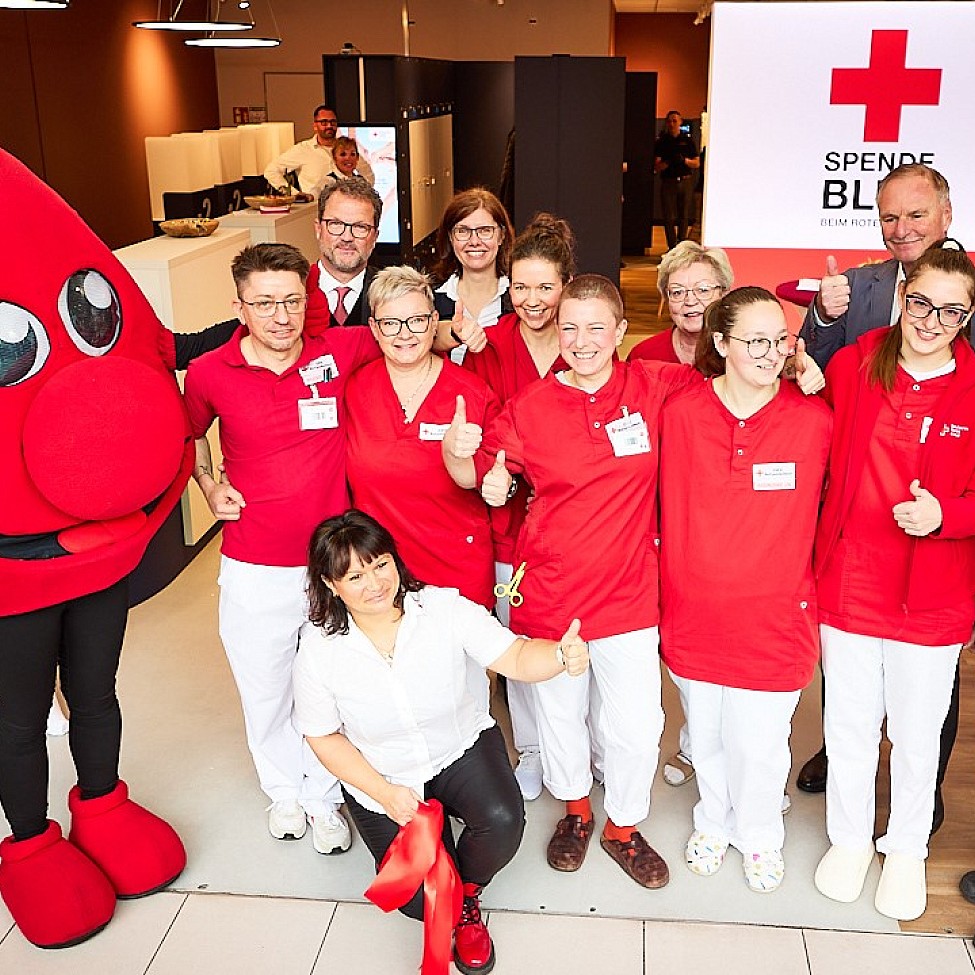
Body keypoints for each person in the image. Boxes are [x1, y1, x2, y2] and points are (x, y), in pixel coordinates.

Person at [0, 148, 188, 949]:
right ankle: (31, 843)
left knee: (96, 689)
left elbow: (154, 339)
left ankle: (103, 802)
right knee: (14, 717)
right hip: (17, 565)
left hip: (101, 548)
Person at [293, 509, 590, 975]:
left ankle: (467, 894)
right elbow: (322, 735)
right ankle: (444, 884)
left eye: (380, 565)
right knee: (416, 900)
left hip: (459, 747)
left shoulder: (443, 609)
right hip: (384, 773)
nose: (374, 583)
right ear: (331, 585)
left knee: (502, 822)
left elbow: (512, 653)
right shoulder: (318, 650)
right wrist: (383, 794)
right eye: (355, 575)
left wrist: (558, 655)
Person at [183, 242, 380, 854]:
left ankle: (325, 798)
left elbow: (413, 326)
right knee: (264, 686)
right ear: (239, 304)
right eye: (265, 302)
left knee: (327, 689)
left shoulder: (338, 351)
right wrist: (210, 484)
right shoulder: (212, 372)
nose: (280, 316)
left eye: (293, 300)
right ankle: (284, 793)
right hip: (253, 565)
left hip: (331, 569)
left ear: (308, 299)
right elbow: (189, 437)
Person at [812, 243, 975, 921]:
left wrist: (948, 515)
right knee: (847, 724)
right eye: (920, 302)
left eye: (950, 311)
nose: (931, 320)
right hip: (849, 579)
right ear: (902, 291)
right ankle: (848, 839)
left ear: (966, 317)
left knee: (915, 730)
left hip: (932, 591)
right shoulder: (855, 363)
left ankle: (904, 847)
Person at [795, 164, 958, 818]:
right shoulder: (855, 285)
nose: (901, 229)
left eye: (915, 215)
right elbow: (813, 370)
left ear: (945, 216)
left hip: (943, 508)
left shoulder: (967, 289)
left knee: (931, 669)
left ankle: (927, 783)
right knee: (848, 653)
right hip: (859, 503)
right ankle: (839, 753)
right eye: (888, 217)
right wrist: (819, 313)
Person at [658, 288, 831, 892]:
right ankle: (712, 821)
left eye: (779, 340)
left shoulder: (814, 420)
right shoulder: (679, 414)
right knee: (704, 736)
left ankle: (759, 834)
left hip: (776, 619)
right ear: (722, 344)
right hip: (694, 613)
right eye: (754, 340)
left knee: (761, 745)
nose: (769, 353)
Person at [459, 212, 575, 801]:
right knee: (521, 643)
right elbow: (474, 430)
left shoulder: (581, 343)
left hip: (573, 522)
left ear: (565, 287)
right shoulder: (491, 342)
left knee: (582, 643)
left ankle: (584, 748)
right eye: (522, 286)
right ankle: (530, 750)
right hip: (507, 523)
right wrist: (489, 475)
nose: (532, 300)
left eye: (545, 287)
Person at [345, 266, 499, 612]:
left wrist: (467, 461)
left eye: (416, 320)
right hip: (381, 575)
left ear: (433, 322)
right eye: (390, 323)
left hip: (457, 570)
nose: (404, 334)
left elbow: (493, 478)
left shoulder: (471, 392)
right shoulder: (354, 388)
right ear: (374, 328)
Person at [432, 188, 514, 363]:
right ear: (450, 238)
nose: (474, 241)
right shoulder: (430, 297)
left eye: (485, 230)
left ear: (501, 236)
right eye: (463, 231)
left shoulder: (519, 299)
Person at [629, 240, 733, 366]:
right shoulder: (644, 356)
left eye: (702, 290)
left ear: (724, 294)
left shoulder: (738, 354)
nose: (690, 301)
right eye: (678, 292)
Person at [263, 105, 375, 196]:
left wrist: (364, 195)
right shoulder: (303, 149)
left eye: (333, 122)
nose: (329, 126)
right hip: (312, 213)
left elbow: (367, 173)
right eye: (324, 122)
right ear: (315, 125)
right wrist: (295, 195)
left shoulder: (347, 149)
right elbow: (271, 171)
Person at [653, 111, 700, 250]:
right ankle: (671, 247)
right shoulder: (662, 142)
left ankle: (682, 246)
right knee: (668, 217)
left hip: (685, 181)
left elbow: (697, 163)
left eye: (675, 121)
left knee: (684, 215)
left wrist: (684, 160)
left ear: (680, 122)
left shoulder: (688, 141)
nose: (672, 124)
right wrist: (667, 163)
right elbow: (656, 165)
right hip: (668, 181)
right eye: (669, 121)